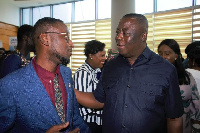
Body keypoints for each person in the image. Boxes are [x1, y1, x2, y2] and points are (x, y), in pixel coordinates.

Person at [74, 13, 183, 133]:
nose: (118, 37)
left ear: (143, 36)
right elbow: (99, 100)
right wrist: (67, 88)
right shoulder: (110, 66)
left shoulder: (165, 69)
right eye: (117, 32)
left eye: (125, 33)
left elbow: (174, 119)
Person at [0, 17, 90, 133]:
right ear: (45, 39)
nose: (71, 44)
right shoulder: (10, 86)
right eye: (66, 38)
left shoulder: (66, 73)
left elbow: (74, 117)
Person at [157, 39, 200, 133]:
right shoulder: (153, 77)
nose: (163, 57)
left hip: (185, 126)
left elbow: (195, 101)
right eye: (160, 54)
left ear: (176, 56)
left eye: (167, 54)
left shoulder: (187, 76)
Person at [73, 40, 106, 133]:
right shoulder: (82, 73)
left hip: (99, 121)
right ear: (91, 56)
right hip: (88, 123)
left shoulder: (97, 70)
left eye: (105, 55)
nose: (105, 58)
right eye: (102, 55)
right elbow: (83, 102)